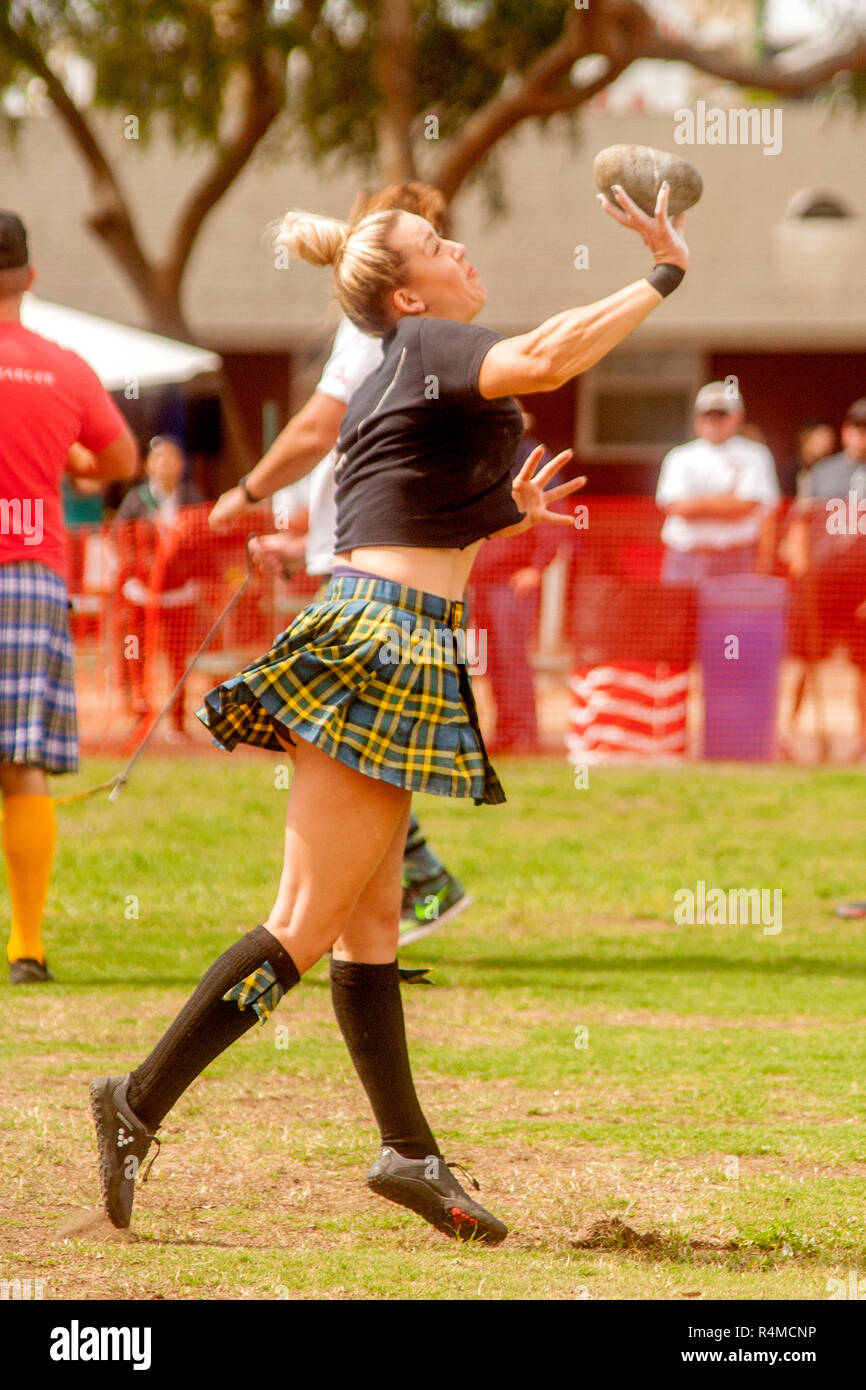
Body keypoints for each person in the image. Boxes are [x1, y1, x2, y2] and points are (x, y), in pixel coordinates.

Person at [90, 178, 688, 1244]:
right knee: (304, 924)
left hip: (387, 631)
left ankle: (406, 1150)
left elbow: (394, 512)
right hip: (382, 642)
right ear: (407, 298)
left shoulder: (401, 372)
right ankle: (136, 1101)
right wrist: (661, 273)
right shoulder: (433, 349)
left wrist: (503, 513)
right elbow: (549, 355)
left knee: (368, 924)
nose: (457, 249)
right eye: (435, 244)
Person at [209, 183, 470, 946]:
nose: (450, 250)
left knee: (350, 740)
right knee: (356, 742)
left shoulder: (390, 330)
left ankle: (395, 897)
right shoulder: (406, 329)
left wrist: (248, 489)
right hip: (362, 562)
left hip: (372, 583)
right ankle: (381, 912)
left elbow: (321, 428)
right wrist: (304, 537)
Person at [0, 210, 137, 983]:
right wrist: (71, 456)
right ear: (30, 277)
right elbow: (114, 459)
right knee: (19, 765)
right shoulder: (64, 368)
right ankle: (26, 945)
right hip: (27, 571)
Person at [469, 410, 563, 753]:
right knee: (489, 659)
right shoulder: (482, 458)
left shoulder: (534, 457)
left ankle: (524, 734)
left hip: (513, 580)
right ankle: (504, 732)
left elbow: (551, 512)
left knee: (513, 658)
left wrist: (537, 567)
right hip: (479, 580)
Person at [784, 397, 866, 754]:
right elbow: (799, 523)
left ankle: (862, 740)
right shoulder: (821, 472)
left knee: (863, 665)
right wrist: (801, 571)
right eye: (858, 428)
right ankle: (788, 732)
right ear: (846, 431)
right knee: (806, 658)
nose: (862, 436)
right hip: (822, 582)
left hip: (862, 583)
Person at [112, 435, 204, 743]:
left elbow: (203, 537)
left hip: (179, 592)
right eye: (160, 457)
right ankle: (140, 716)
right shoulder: (135, 500)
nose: (166, 464)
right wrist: (139, 570)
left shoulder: (191, 496)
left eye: (173, 457)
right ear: (149, 464)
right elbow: (120, 539)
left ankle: (177, 721)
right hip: (141, 593)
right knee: (135, 655)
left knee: (177, 657)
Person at [656, 381, 780, 584]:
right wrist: (728, 499)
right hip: (684, 559)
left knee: (733, 616)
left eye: (721, 414)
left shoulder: (755, 455)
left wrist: (696, 504)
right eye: (706, 414)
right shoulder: (679, 456)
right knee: (677, 616)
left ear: (737, 416)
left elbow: (748, 506)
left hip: (735, 559)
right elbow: (676, 507)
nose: (713, 420)